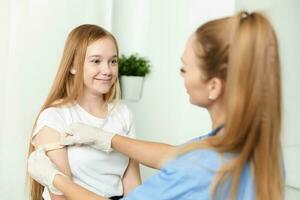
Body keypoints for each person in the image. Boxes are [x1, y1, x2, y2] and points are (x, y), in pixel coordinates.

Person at [28, 11, 284, 200]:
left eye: (185, 68)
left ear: (214, 86)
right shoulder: (259, 147)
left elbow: (179, 165)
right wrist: (107, 139)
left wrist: (55, 179)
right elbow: (176, 156)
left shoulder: (198, 166)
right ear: (73, 65)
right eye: (95, 61)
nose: (181, 76)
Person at [28, 24, 141, 200]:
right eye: (96, 61)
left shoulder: (123, 114)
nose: (107, 71)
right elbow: (61, 198)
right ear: (73, 65)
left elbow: (134, 189)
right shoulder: (55, 117)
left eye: (113, 61)